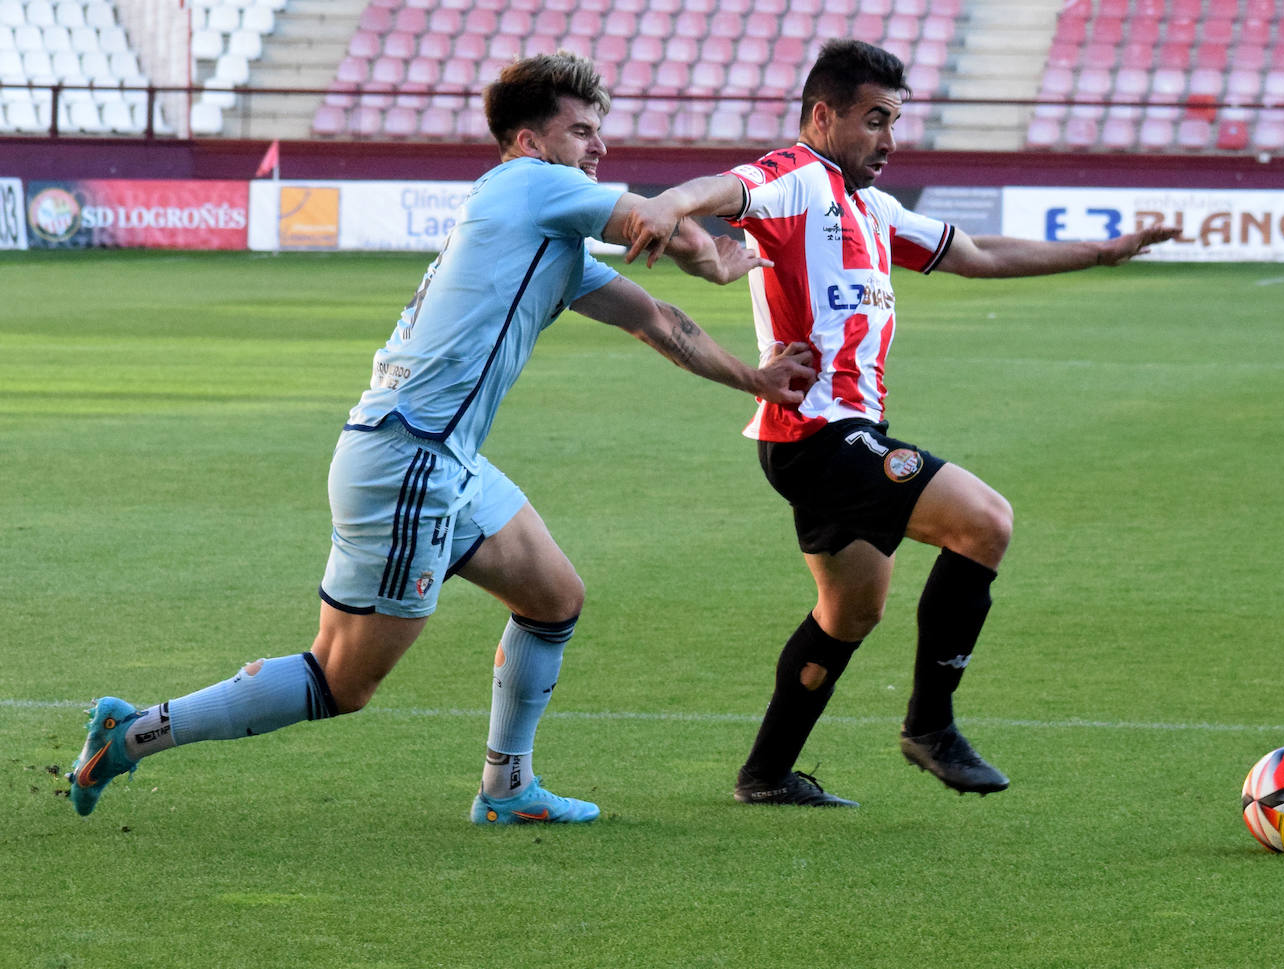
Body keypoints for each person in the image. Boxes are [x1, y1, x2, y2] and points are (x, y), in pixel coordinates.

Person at [67, 51, 815, 825]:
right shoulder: (529, 185)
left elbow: (657, 322)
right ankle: (134, 733)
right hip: (409, 460)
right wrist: (716, 259)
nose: (598, 148)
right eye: (582, 130)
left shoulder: (547, 239)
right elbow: (654, 223)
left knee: (554, 596)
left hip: (434, 455)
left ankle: (507, 788)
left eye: (602, 132)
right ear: (528, 140)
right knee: (340, 680)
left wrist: (754, 381)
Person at [625, 39, 1181, 807]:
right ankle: (931, 725)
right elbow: (727, 188)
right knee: (985, 521)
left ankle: (765, 774)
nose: (889, 140)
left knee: (852, 609)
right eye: (875, 120)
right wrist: (668, 204)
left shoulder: (874, 208)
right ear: (823, 117)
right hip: (819, 435)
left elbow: (980, 255)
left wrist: (1102, 251)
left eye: (896, 121)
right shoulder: (799, 179)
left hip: (838, 437)